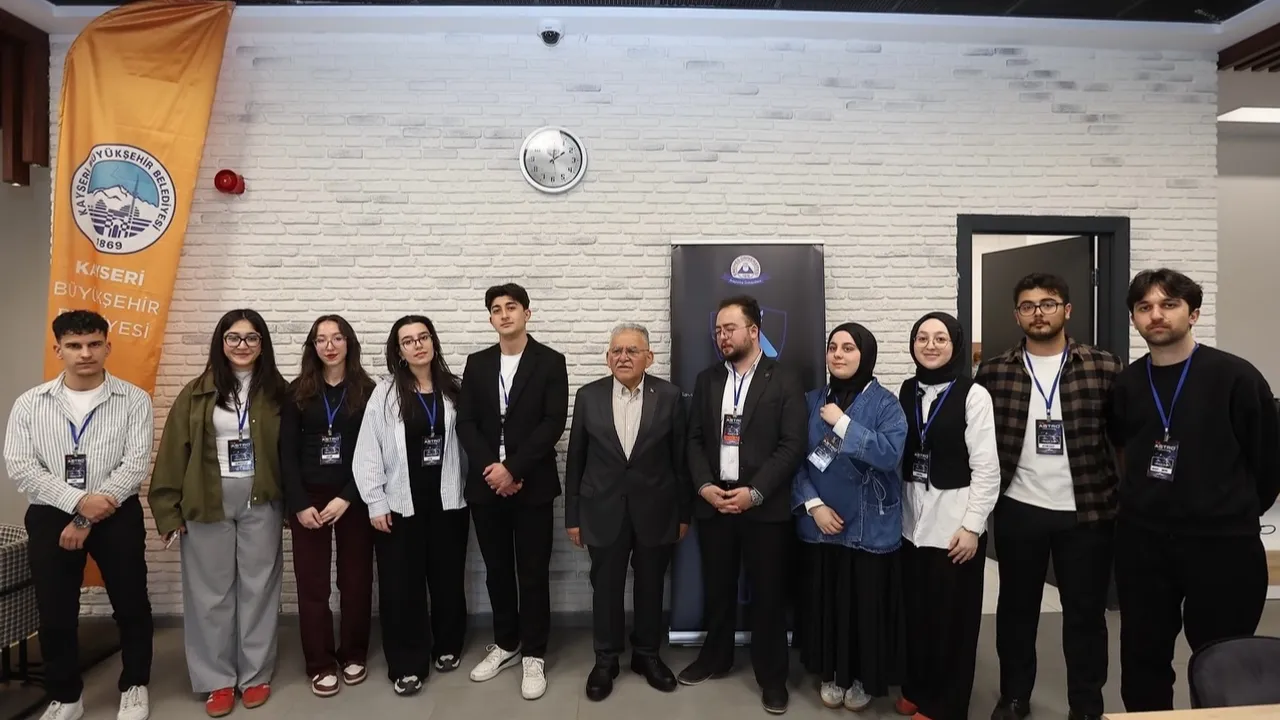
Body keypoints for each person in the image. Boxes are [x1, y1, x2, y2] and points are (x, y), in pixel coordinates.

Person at [1108, 269, 1279, 713]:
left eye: (1169, 305)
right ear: (1134, 318)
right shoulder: (1127, 385)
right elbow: (1122, 451)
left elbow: (1268, 461)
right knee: (1142, 659)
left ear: (1194, 313)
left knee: (1224, 661)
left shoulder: (1236, 377)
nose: (1156, 315)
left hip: (1223, 546)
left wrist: (1227, 509)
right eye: (1144, 307)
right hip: (1143, 544)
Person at [975, 274, 1123, 720]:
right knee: (1016, 611)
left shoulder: (1104, 366)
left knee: (1085, 615)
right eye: (1028, 306)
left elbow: (1123, 438)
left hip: (1087, 512)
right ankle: (1014, 696)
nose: (1038, 313)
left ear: (1067, 310)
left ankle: (1086, 705)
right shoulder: (994, 371)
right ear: (1016, 315)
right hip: (1020, 509)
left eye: (1048, 303)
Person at [3, 310, 154, 720]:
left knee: (131, 603)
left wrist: (87, 516)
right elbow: (21, 465)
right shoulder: (30, 404)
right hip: (51, 513)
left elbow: (134, 465)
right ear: (58, 350)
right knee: (55, 610)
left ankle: (135, 684)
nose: (85, 353)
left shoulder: (134, 400)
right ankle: (67, 695)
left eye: (93, 344)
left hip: (116, 511)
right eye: (74, 345)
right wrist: (78, 503)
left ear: (107, 346)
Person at [149, 309, 289, 718]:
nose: (242, 345)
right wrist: (168, 511)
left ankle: (255, 674)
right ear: (221, 342)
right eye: (233, 337)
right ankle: (217, 680)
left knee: (259, 588)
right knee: (210, 594)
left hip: (262, 499)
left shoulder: (280, 392)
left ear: (262, 344)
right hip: (207, 500)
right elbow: (173, 453)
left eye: (251, 337)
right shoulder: (195, 393)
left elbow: (292, 451)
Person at [679, 295, 807, 715]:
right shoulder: (707, 380)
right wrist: (704, 486)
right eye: (718, 330)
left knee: (768, 596)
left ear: (754, 331)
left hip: (763, 508)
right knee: (718, 588)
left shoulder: (784, 379)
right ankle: (715, 658)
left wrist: (755, 492)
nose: (722, 336)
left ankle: (772, 678)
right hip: (715, 503)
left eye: (729, 328)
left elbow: (792, 445)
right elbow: (694, 439)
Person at [564, 323, 690, 702]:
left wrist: (683, 514)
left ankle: (647, 654)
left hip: (657, 510)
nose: (623, 357)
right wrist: (573, 517)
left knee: (651, 585)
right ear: (607, 358)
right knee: (606, 587)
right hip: (602, 510)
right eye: (616, 351)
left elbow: (680, 460)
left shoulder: (669, 396)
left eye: (632, 351)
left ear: (648, 357)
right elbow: (576, 460)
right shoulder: (588, 396)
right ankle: (606, 660)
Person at [456, 283, 569, 700]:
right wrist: (494, 470)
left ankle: (534, 653)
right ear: (490, 318)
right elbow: (466, 422)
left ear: (527, 313)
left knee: (533, 572)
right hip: (487, 485)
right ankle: (507, 643)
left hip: (532, 484)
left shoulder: (550, 361)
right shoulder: (478, 363)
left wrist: (513, 469)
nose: (504, 314)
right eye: (496, 309)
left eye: (512, 307)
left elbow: (553, 422)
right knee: (497, 569)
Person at [792, 323, 908, 712]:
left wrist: (842, 423)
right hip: (821, 524)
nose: (838, 354)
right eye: (833, 347)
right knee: (827, 602)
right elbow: (792, 458)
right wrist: (813, 505)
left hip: (868, 526)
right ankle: (830, 671)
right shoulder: (810, 401)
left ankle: (861, 676)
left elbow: (889, 455)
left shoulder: (886, 404)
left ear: (866, 354)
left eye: (848, 348)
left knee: (864, 605)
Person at [354, 315, 471, 697]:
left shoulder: (454, 389)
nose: (418, 345)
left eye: (423, 337)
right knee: (401, 586)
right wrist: (375, 501)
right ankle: (407, 663)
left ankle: (448, 644)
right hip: (400, 504)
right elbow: (368, 450)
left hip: (448, 500)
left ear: (433, 342)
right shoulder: (385, 394)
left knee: (447, 578)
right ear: (399, 351)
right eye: (408, 341)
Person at [897, 312, 1001, 720]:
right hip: (912, 527)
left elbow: (987, 469)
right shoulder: (907, 390)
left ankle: (946, 705)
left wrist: (973, 527)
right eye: (922, 337)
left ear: (955, 345)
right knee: (917, 615)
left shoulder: (974, 396)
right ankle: (916, 688)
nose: (930, 345)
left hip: (954, 529)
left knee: (952, 624)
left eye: (940, 338)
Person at [281, 315, 377, 697]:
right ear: (313, 347)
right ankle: (320, 662)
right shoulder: (298, 391)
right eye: (321, 339)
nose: (330, 346)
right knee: (313, 585)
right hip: (309, 499)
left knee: (355, 581)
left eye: (337, 338)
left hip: (353, 496)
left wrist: (348, 496)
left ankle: (353, 653)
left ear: (349, 343)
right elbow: (286, 453)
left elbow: (374, 452)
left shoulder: (368, 391)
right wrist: (299, 504)